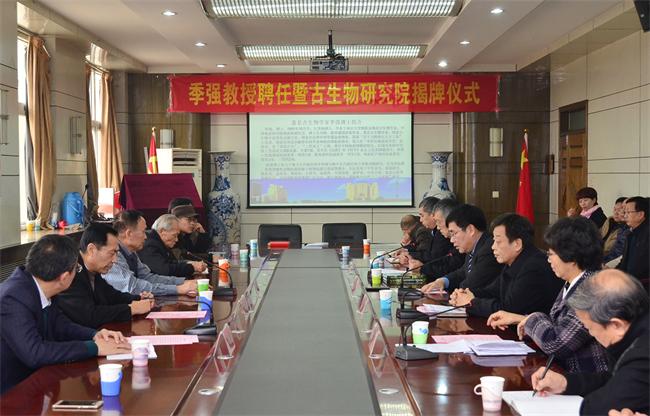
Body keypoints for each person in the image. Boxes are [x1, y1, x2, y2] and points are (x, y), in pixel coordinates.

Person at [0, 235, 130, 393]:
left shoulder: (43, 284)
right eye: (77, 268)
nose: (77, 272)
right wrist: (94, 348)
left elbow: (59, 324)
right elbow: (34, 353)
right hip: (12, 392)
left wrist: (94, 335)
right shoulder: (13, 298)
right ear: (64, 277)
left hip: (39, 382)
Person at [487, 217, 608, 374]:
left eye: (551, 254)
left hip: (584, 379)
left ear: (571, 256)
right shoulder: (574, 282)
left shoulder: (592, 289)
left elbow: (556, 344)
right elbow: (559, 325)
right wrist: (520, 319)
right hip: (563, 373)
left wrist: (530, 319)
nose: (548, 260)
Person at [531, 269, 649, 415]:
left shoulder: (642, 355)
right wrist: (566, 383)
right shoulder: (636, 330)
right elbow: (613, 379)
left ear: (616, 325)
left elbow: (596, 409)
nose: (591, 334)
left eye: (590, 328)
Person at [450, 213, 563, 317]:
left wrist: (471, 302)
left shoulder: (534, 267)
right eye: (493, 241)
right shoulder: (514, 261)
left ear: (517, 244)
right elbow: (492, 291)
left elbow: (508, 310)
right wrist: (466, 294)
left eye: (498, 242)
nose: (493, 247)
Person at [54, 224, 154, 329]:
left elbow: (111, 296)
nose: (115, 260)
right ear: (91, 250)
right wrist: (131, 309)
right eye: (112, 253)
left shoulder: (93, 269)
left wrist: (138, 298)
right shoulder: (70, 271)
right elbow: (88, 315)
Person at [103, 210, 198, 296]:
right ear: (129, 234)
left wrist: (183, 282)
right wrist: (177, 289)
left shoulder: (131, 252)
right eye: (143, 232)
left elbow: (148, 277)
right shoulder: (112, 255)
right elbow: (132, 287)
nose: (146, 237)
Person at [422, 204, 502, 293]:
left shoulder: (488, 250)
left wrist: (456, 293)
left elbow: (471, 285)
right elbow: (463, 272)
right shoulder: (474, 247)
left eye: (454, 233)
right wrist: (443, 281)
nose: (452, 240)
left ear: (470, 230)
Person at [404, 197, 464, 280]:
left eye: (422, 215)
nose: (420, 220)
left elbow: (436, 259)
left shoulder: (441, 235)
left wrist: (421, 268)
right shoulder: (434, 231)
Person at [138, 214, 206, 278]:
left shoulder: (160, 242)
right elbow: (164, 270)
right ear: (162, 231)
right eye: (174, 235)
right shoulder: (149, 244)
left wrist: (190, 263)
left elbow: (173, 262)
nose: (176, 240)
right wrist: (192, 267)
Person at [617, 196, 649, 288]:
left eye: (628, 212)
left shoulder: (646, 235)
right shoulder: (630, 233)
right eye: (624, 212)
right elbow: (624, 262)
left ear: (640, 214)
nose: (625, 215)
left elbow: (638, 268)